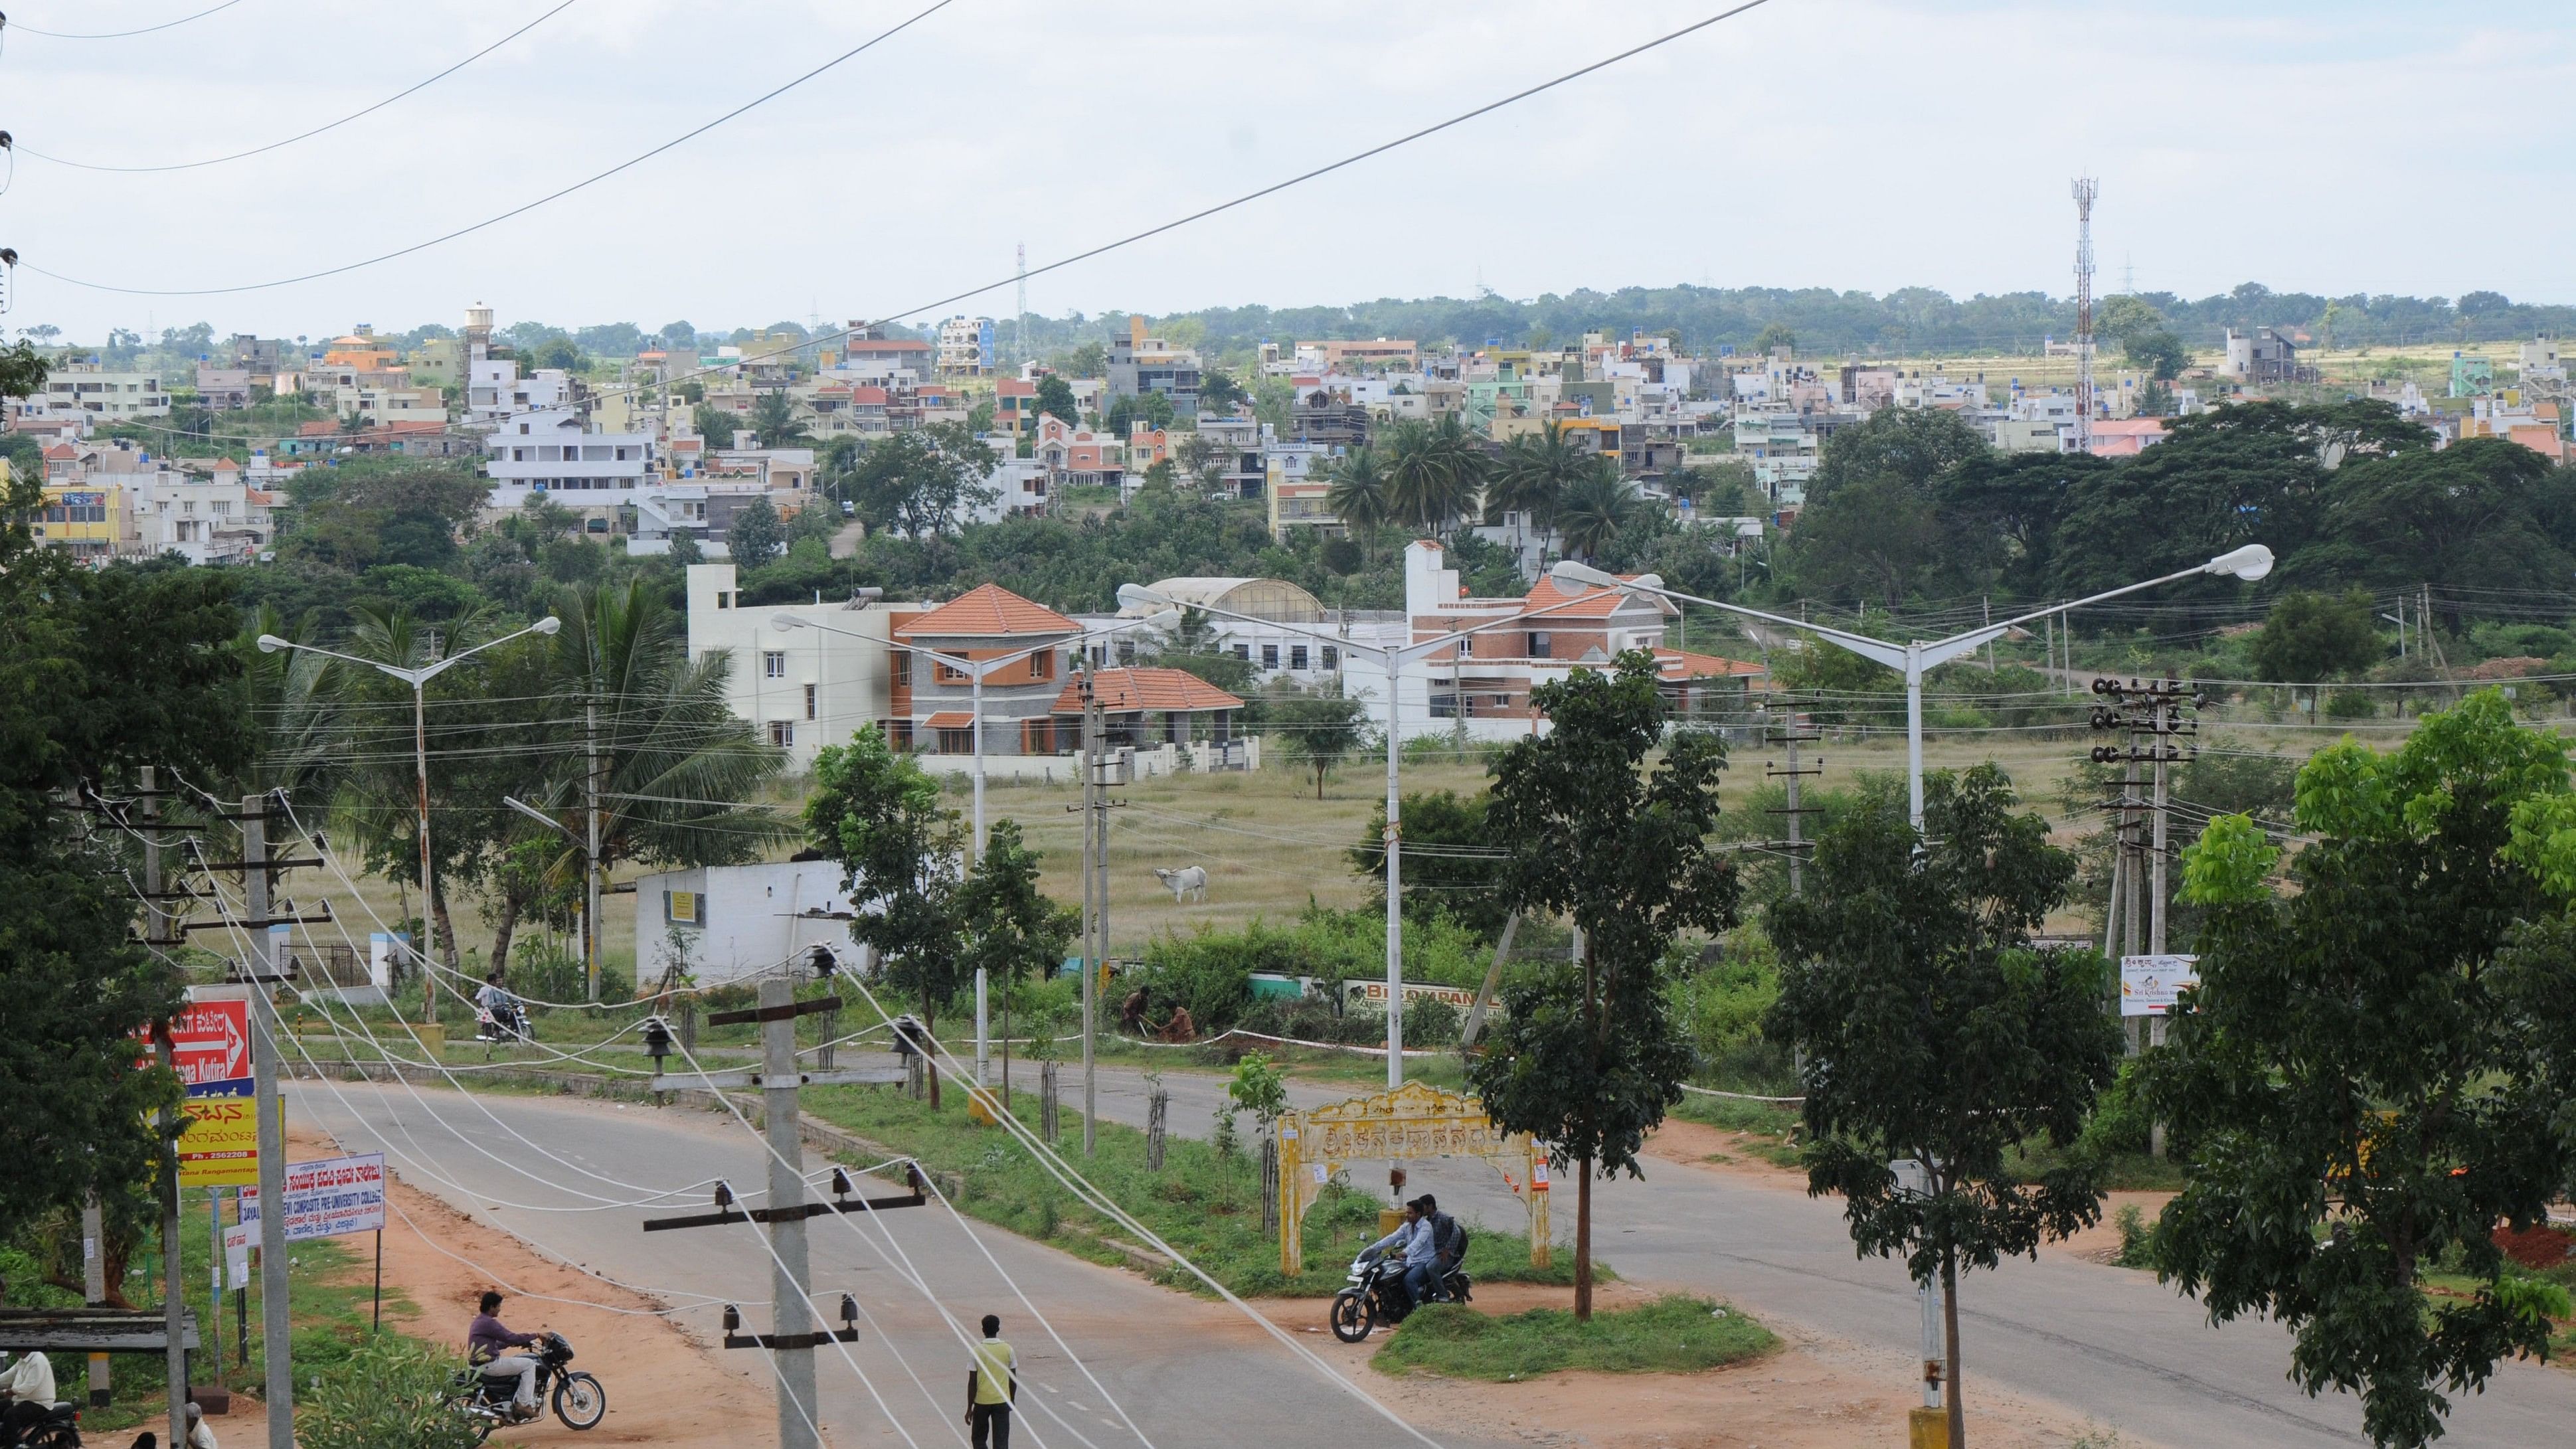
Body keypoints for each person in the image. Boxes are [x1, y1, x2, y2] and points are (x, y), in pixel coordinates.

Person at [468, 1290, 545, 1422]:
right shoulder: (489, 1322)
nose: (500, 1310)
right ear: (492, 1307)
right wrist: (536, 1335)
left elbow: (495, 1344)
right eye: (498, 1306)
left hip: (480, 1365)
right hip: (490, 1365)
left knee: (519, 1362)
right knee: (529, 1364)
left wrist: (510, 1344)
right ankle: (523, 1404)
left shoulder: (479, 1321)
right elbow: (510, 1337)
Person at [1361, 1200, 1433, 1314]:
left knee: (1409, 1280)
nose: (1406, 1215)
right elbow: (1392, 1238)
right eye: (1406, 1212)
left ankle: (1419, 1310)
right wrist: (1373, 1248)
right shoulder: (1407, 1226)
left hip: (1423, 1262)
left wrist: (1404, 1253)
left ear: (1418, 1214)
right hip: (1409, 1261)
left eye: (1410, 1213)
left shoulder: (1426, 1227)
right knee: (1389, 1276)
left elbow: (1418, 1243)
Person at [964, 1313, 1015, 1449]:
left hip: (982, 1402)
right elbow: (1013, 1379)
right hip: (1002, 1400)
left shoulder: (976, 1351)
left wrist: (970, 1408)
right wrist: (1012, 1400)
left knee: (978, 1439)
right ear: (998, 1329)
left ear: (983, 1330)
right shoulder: (1008, 1350)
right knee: (1001, 1441)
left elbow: (972, 1382)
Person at [1414, 1194, 1462, 1306]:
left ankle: (1443, 1296)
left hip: (1445, 1255)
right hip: (1432, 1254)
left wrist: (1448, 1249)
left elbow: (1457, 1232)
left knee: (1431, 1268)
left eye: (1423, 1207)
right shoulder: (1427, 1221)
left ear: (1430, 1206)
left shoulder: (1443, 1217)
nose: (1421, 1210)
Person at [0, 1349, 56, 1438]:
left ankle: (13, 1444)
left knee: (10, 1415)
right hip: (24, 1400)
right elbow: (8, 1376)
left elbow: (26, 1388)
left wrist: (5, 1392)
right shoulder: (23, 1360)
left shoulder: (38, 1361)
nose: (16, 1351)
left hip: (39, 1403)